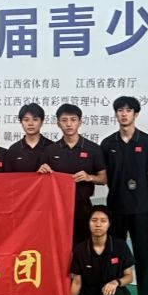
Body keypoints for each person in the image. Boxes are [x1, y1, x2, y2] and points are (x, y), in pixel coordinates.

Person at [101, 96, 148, 295]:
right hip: (115, 208)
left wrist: (139, 194)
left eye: (128, 110)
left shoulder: (147, 142)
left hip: (139, 209)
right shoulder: (108, 144)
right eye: (120, 110)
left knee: (142, 255)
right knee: (114, 257)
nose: (124, 114)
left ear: (136, 114)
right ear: (115, 114)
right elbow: (106, 176)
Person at [58, 205, 133, 295]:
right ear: (88, 223)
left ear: (109, 224)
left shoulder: (120, 246)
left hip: (114, 294)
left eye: (103, 221)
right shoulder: (80, 249)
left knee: (111, 294)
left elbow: (129, 276)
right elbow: (77, 282)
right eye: (94, 220)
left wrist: (116, 282)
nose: (98, 224)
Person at [41, 104, 106, 247]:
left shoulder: (93, 149)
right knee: (57, 245)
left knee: (82, 247)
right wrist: (42, 172)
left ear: (80, 122)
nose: (69, 124)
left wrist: (89, 177)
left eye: (73, 119)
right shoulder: (50, 150)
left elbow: (104, 179)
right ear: (58, 123)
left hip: (82, 206)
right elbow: (41, 182)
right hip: (56, 207)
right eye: (64, 120)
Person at [7, 103, 53, 173]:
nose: (30, 123)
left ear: (42, 122)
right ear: (21, 122)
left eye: (35, 119)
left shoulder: (51, 147)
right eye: (26, 120)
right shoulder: (13, 150)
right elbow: (8, 178)